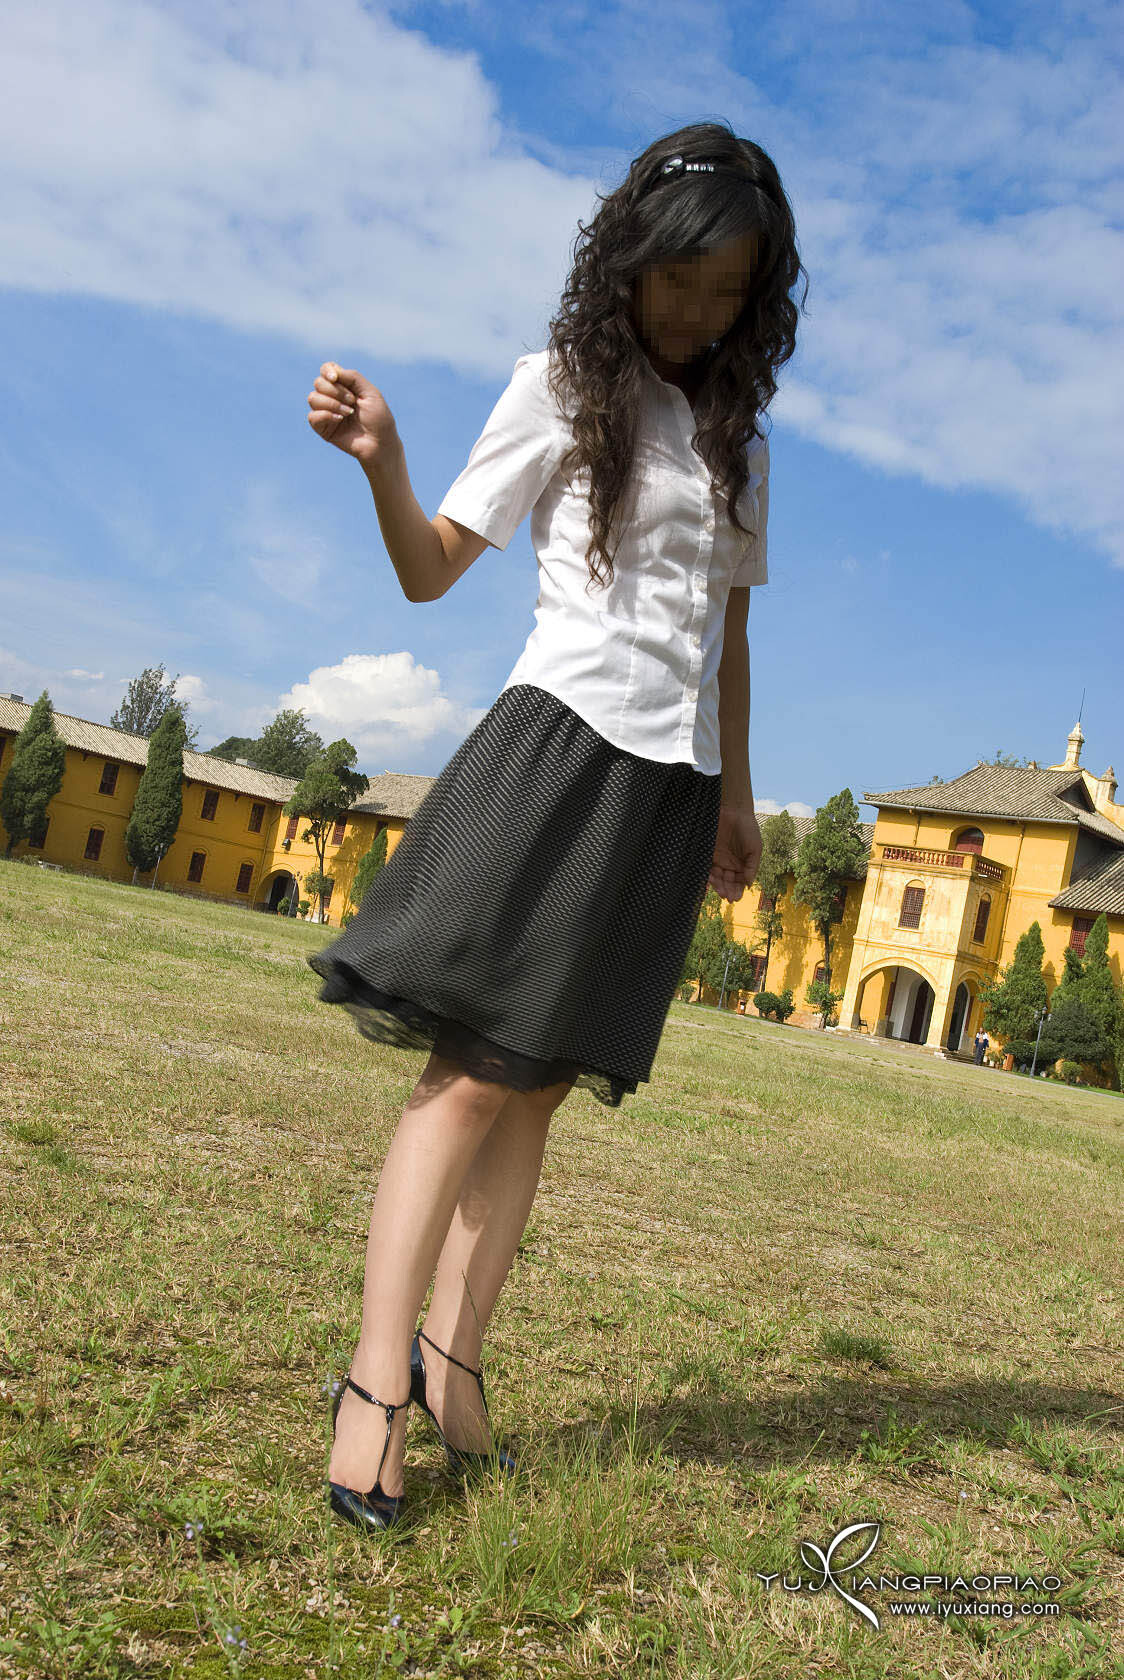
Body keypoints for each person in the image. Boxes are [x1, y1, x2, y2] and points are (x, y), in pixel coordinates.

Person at [304, 120, 807, 1534]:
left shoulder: (741, 446)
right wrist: (381, 458)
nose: (699, 314)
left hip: (667, 784)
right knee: (466, 1081)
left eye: (730, 293)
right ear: (633, 261)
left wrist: (739, 792)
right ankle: (371, 1391)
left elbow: (730, 635)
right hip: (558, 750)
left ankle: (456, 1380)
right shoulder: (557, 388)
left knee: (538, 1089)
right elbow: (428, 574)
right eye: (682, 282)